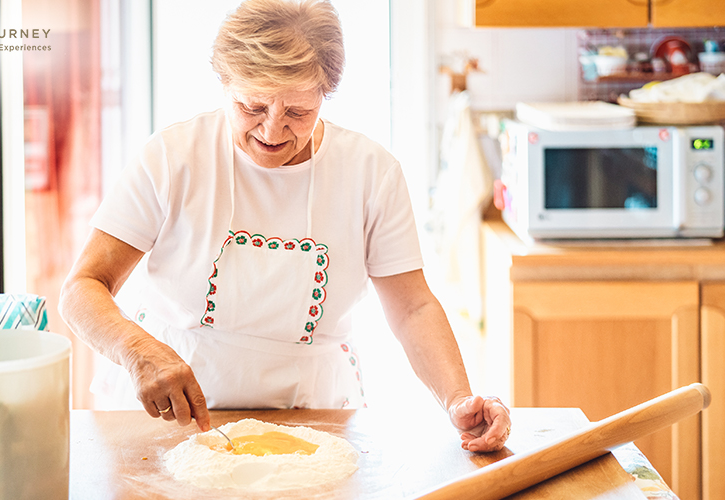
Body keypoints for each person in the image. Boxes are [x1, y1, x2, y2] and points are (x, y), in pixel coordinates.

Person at [59, 0, 511, 453]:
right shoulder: (173, 157)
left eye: (296, 112)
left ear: (325, 94)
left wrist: (457, 399)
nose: (272, 131)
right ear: (224, 85)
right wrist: (138, 352)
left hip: (313, 421)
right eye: (252, 106)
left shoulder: (370, 173)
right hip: (171, 418)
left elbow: (412, 308)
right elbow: (82, 287)